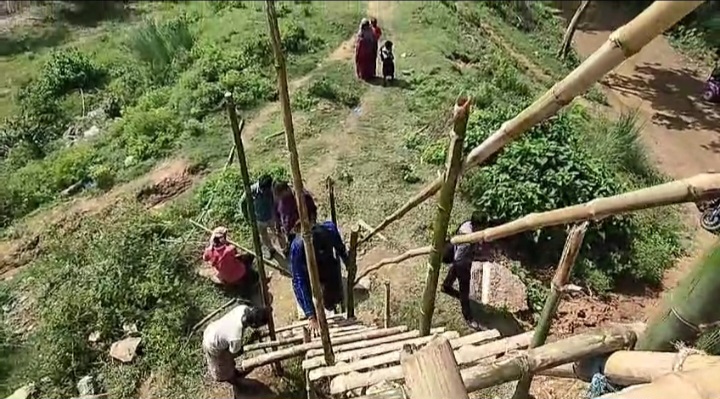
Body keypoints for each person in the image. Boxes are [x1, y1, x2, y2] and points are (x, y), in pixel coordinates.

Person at [289, 220, 348, 335]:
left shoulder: (328, 230)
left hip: (326, 266)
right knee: (306, 291)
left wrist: (346, 260)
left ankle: (331, 302)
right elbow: (299, 280)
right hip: (307, 272)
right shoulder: (298, 247)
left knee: (331, 302)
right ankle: (312, 310)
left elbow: (339, 247)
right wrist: (311, 315)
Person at [202, 304, 271, 397]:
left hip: (213, 329)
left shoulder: (242, 309)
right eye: (259, 325)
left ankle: (235, 374)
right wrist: (250, 341)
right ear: (254, 325)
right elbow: (233, 353)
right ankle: (236, 382)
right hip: (212, 343)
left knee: (228, 361)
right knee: (223, 366)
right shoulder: (235, 337)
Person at [441, 211, 486, 331]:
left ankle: (446, 286)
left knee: (456, 269)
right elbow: (458, 257)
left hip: (459, 256)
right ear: (477, 225)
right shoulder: (466, 239)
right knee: (464, 290)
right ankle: (469, 317)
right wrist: (465, 266)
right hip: (461, 261)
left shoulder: (467, 225)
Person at [202, 227, 261, 302]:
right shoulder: (229, 249)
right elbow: (236, 254)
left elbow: (204, 258)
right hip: (240, 274)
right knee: (253, 272)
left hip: (225, 277)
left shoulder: (209, 252)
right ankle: (246, 293)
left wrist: (210, 247)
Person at [240, 174, 284, 258]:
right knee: (264, 236)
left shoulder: (273, 189)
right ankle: (271, 249)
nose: (265, 192)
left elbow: (279, 201)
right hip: (259, 219)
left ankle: (284, 248)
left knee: (278, 232)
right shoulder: (252, 190)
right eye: (263, 190)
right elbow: (242, 203)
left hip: (272, 217)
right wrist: (247, 217)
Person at [273, 180, 317, 253]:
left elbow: (312, 211)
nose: (281, 198)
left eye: (282, 195)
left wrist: (311, 224)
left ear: (287, 189)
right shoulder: (279, 200)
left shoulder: (302, 196)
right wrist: (278, 228)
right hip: (291, 234)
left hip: (306, 232)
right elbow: (277, 214)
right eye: (279, 196)